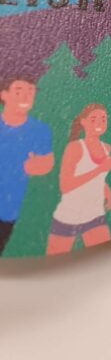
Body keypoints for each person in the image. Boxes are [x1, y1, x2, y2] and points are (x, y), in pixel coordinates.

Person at [47, 103, 111, 255]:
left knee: (105, 261)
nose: (99, 123)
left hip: (94, 214)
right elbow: (66, 186)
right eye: (94, 119)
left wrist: (107, 190)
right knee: (54, 267)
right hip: (68, 216)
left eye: (103, 119)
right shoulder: (75, 148)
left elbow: (98, 178)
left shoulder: (106, 148)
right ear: (84, 122)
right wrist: (101, 168)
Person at [0, 77, 54, 255]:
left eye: (30, 92)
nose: (25, 97)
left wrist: (36, 166)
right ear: (4, 95)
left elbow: (47, 163)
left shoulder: (40, 130)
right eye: (18, 91)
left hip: (9, 210)